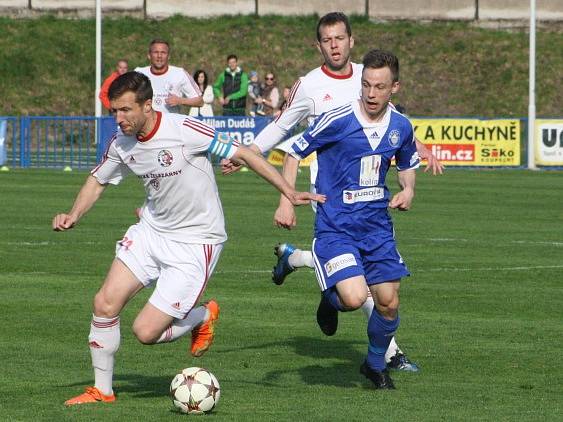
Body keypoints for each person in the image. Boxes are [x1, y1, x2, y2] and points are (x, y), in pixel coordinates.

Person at [55, 71, 323, 406]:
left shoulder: (183, 130)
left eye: (125, 110)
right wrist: (73, 214)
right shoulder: (121, 145)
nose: (118, 119)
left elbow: (244, 154)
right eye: (114, 111)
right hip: (151, 232)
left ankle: (202, 316)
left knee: (146, 333)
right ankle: (102, 390)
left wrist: (287, 191)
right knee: (104, 303)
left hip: (197, 242)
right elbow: (98, 180)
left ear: (147, 105)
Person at [222, 12, 441, 371]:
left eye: (340, 38)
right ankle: (390, 353)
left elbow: (392, 125)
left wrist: (420, 148)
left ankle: (299, 264)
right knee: (363, 286)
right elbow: (283, 126)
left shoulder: (367, 75)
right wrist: (249, 154)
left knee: (373, 282)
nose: (335, 45)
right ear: (319, 45)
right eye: (327, 40)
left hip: (370, 200)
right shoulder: (308, 85)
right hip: (328, 196)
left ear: (351, 41)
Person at [282, 49, 419, 388]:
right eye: (366, 85)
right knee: (355, 298)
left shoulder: (401, 126)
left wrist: (408, 191)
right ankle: (331, 297)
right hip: (336, 226)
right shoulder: (338, 119)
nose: (371, 94)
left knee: (388, 302)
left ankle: (373, 365)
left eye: (380, 87)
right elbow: (293, 151)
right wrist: (286, 200)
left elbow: (407, 163)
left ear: (395, 87)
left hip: (377, 229)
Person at [135, 39, 203, 113]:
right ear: (149, 55)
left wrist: (180, 100)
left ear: (169, 56)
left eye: (163, 52)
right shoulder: (138, 73)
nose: (159, 56)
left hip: (171, 124)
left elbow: (200, 101)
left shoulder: (180, 73)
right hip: (145, 124)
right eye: (156, 52)